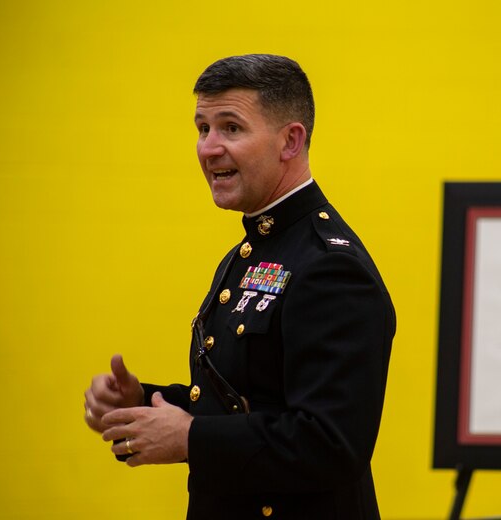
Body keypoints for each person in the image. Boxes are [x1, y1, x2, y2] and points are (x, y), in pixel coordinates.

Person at [83, 54, 396, 520]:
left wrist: (189, 439)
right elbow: (245, 403)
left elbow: (331, 444)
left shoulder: (329, 267)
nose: (208, 148)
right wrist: (142, 402)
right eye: (202, 128)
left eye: (231, 128)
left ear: (291, 140)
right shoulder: (253, 252)